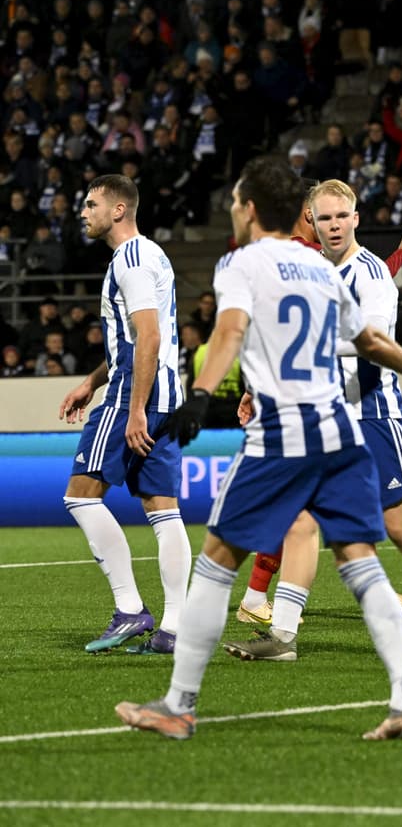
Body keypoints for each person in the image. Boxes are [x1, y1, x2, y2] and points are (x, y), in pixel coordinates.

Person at [115, 155, 402, 740]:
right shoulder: (319, 267)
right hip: (340, 432)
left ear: (248, 208)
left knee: (217, 561)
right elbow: (368, 339)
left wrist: (199, 393)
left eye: (237, 202)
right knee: (360, 561)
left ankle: (179, 705)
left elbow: (231, 331)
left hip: (284, 434)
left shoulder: (240, 262)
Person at [221, 179, 402, 662]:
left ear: (355, 219)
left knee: (400, 525)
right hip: (322, 417)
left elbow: (370, 340)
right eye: (322, 218)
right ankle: (282, 636)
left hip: (372, 414)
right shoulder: (308, 271)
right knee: (300, 523)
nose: (332, 225)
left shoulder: (370, 273)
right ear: (311, 220)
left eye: (339, 217)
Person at [57, 174, 191, 655]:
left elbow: (148, 338)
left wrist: (133, 408)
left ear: (118, 210)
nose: (84, 213)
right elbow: (138, 339)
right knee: (163, 510)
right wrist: (90, 382)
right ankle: (174, 628)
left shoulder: (130, 259)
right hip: (164, 395)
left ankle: (131, 609)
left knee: (80, 497)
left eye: (91, 204)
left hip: (135, 396)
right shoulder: (152, 253)